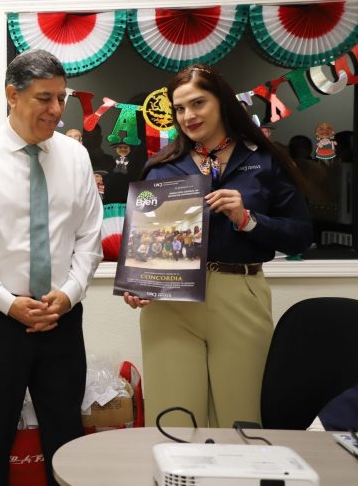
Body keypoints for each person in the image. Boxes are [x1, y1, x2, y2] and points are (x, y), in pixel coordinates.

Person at [0, 49, 103, 485]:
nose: (56, 110)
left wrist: (69, 294)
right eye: (44, 98)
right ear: (12, 95)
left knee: (65, 435)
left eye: (61, 98)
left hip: (60, 317)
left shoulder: (75, 156)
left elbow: (89, 236)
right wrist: (7, 302)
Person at [123, 63, 311, 428]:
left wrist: (248, 219)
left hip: (238, 294)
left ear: (222, 102)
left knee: (244, 422)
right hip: (170, 306)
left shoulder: (265, 160)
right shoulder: (161, 168)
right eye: (179, 108)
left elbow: (300, 236)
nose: (188, 116)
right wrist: (137, 284)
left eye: (198, 103)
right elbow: (144, 248)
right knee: (173, 423)